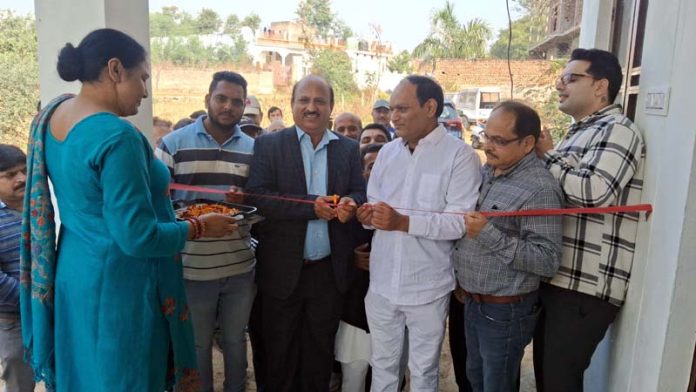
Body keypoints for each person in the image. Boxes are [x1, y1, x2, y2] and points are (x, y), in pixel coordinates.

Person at [20, 28, 237, 392]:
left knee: (87, 376)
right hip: (121, 285)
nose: (146, 91)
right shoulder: (116, 136)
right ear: (115, 69)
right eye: (143, 78)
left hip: (75, 273)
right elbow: (138, 236)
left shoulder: (56, 113)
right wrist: (198, 227)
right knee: (124, 376)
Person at [356, 75, 481, 391]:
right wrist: (366, 216)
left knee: (423, 372)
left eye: (402, 109)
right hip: (382, 284)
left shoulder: (460, 156)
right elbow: (374, 206)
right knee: (383, 367)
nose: (393, 116)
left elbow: (459, 222)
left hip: (427, 287)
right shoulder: (387, 153)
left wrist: (403, 222)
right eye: (392, 109)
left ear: (430, 107)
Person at [533, 48, 645, 392]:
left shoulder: (618, 130)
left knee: (559, 382)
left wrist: (546, 156)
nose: (560, 85)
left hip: (584, 288)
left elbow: (594, 192)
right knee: (549, 379)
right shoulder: (579, 131)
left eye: (571, 77)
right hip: (559, 279)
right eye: (561, 78)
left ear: (601, 86)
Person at [246, 75, 366, 392]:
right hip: (282, 271)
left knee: (319, 354)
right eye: (304, 100)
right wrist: (311, 207)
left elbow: (359, 192)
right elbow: (257, 196)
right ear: (292, 104)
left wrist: (352, 203)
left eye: (319, 101)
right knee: (279, 354)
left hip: (328, 272)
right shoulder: (269, 145)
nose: (311, 107)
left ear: (331, 107)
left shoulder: (349, 150)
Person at [155, 71, 257, 392]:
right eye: (222, 98)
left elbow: (260, 206)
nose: (228, 106)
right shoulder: (172, 145)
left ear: (244, 106)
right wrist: (197, 221)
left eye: (237, 101)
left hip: (240, 266)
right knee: (198, 345)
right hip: (193, 269)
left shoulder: (255, 150)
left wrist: (246, 202)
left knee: (236, 340)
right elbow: (158, 208)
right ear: (207, 100)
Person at [453, 101, 563, 392]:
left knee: (496, 385)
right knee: (476, 379)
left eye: (499, 141)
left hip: (505, 313)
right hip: (474, 303)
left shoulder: (540, 189)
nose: (488, 146)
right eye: (487, 136)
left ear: (527, 143)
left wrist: (488, 233)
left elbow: (547, 260)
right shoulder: (491, 171)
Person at [0, 145, 34, 392]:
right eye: (10, 175)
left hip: (43, 312)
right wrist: (28, 298)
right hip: (12, 321)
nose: (21, 178)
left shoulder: (37, 206)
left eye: (24, 171)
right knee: (19, 383)